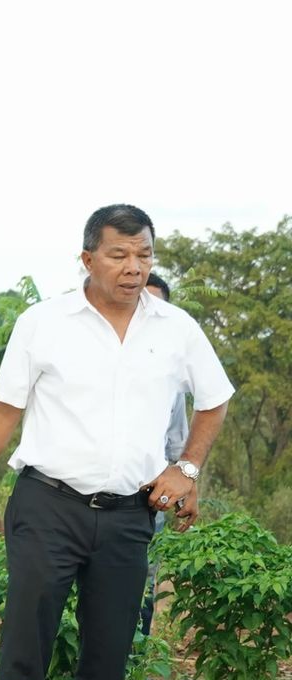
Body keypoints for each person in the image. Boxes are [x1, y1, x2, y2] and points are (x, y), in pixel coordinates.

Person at [0, 204, 232, 680]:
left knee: (109, 647)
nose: (133, 267)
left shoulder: (176, 329)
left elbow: (214, 400)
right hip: (48, 505)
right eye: (119, 254)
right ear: (88, 258)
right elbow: (2, 414)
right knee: (26, 644)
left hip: (129, 514)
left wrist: (186, 468)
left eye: (143, 255)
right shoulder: (44, 323)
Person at [139, 272, 188, 646]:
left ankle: (134, 661)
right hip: (84, 499)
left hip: (146, 499)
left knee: (143, 579)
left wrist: (184, 491)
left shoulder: (172, 379)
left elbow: (177, 444)